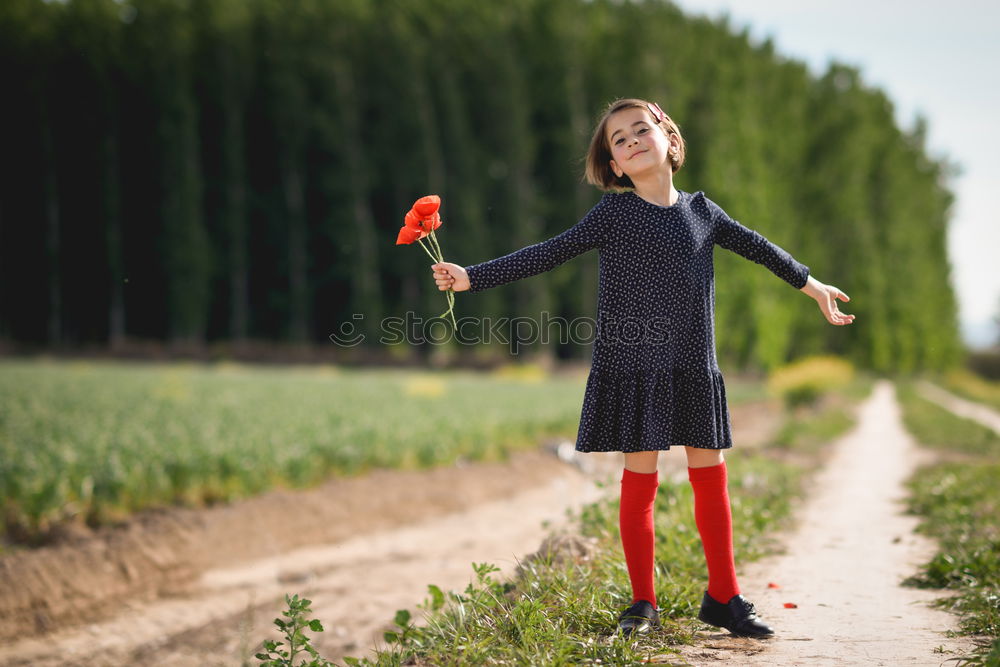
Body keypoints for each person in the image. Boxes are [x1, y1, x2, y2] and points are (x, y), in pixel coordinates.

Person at [429, 98, 855, 638]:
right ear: (614, 166)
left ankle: (724, 596)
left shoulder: (704, 212)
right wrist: (472, 277)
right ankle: (642, 604)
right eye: (619, 141)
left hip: (692, 363)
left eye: (640, 130)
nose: (631, 141)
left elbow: (761, 248)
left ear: (668, 139)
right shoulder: (614, 213)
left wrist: (813, 287)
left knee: (710, 475)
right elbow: (549, 252)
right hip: (634, 365)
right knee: (641, 480)